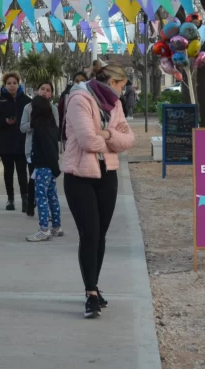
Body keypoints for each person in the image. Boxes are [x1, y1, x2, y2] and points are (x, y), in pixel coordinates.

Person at [62, 60, 135, 319]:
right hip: (80, 176)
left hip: (108, 175)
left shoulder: (114, 104)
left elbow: (129, 139)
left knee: (101, 235)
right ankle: (90, 293)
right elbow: (87, 140)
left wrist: (106, 134)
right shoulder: (79, 98)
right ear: (111, 83)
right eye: (122, 87)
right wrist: (109, 135)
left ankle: (94, 284)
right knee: (89, 234)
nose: (122, 93)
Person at [0, 72, 31, 212]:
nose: (12, 86)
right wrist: (3, 121)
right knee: (8, 171)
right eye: (9, 83)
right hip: (5, 142)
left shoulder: (26, 101)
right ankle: (10, 198)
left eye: (14, 83)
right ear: (4, 85)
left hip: (22, 142)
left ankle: (25, 198)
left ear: (19, 84)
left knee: (22, 172)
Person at [26, 95, 63, 242]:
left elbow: (45, 149)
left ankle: (44, 229)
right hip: (50, 166)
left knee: (40, 197)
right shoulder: (52, 126)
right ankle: (56, 226)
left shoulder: (40, 128)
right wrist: (55, 167)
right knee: (52, 196)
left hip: (42, 166)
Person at [19, 81, 59, 217]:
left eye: (48, 90)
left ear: (51, 94)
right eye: (42, 89)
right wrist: (33, 124)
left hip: (48, 150)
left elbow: (56, 129)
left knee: (48, 182)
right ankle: (31, 203)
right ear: (37, 91)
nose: (45, 92)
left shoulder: (53, 109)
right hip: (32, 149)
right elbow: (22, 127)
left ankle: (47, 210)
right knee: (34, 177)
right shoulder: (28, 107)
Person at [58, 72, 88, 141]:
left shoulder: (91, 96)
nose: (80, 83)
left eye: (82, 81)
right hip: (69, 136)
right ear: (73, 83)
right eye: (77, 81)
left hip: (86, 135)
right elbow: (60, 113)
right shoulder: (66, 95)